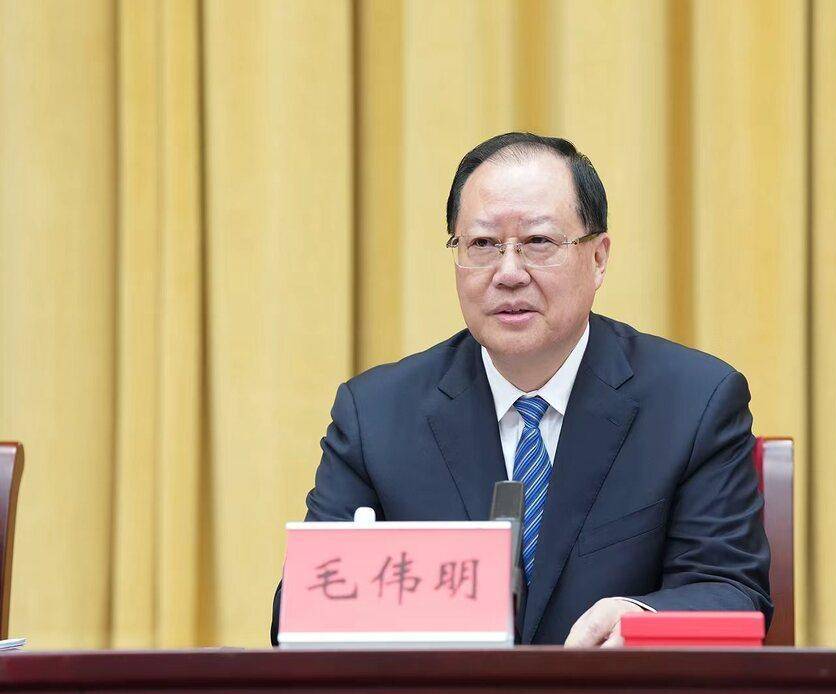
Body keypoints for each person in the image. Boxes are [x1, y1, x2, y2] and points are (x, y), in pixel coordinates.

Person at [271, 132, 771, 646]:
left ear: (598, 258)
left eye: (538, 242)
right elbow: (299, 611)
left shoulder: (694, 403)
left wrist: (642, 617)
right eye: (483, 245)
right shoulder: (375, 415)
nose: (508, 273)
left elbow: (731, 590)